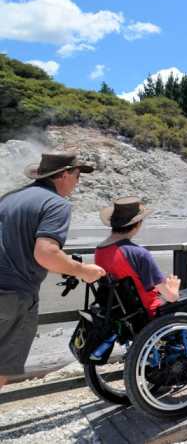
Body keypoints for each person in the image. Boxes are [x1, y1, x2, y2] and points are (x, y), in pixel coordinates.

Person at [0, 152, 106, 390]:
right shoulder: (56, 204)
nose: (78, 182)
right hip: (12, 295)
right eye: (77, 176)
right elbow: (46, 253)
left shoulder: (10, 197)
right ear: (64, 174)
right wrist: (82, 270)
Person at [94, 197, 187, 344]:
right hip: (152, 316)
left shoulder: (100, 251)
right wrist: (173, 288)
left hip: (125, 316)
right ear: (137, 224)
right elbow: (171, 297)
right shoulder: (138, 253)